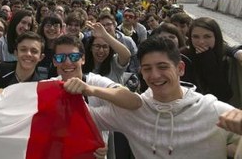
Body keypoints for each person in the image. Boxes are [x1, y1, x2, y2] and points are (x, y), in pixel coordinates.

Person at [64, 36, 240, 158]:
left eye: (162, 67)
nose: (155, 75)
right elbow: (74, 116)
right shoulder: (132, 112)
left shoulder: (213, 110)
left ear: (180, 69)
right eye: (147, 69)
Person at [182, 17, 242, 104]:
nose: (201, 42)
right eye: (196, 37)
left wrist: (209, 62)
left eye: (207, 36)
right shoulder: (184, 56)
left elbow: (223, 95)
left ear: (216, 37)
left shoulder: (223, 56)